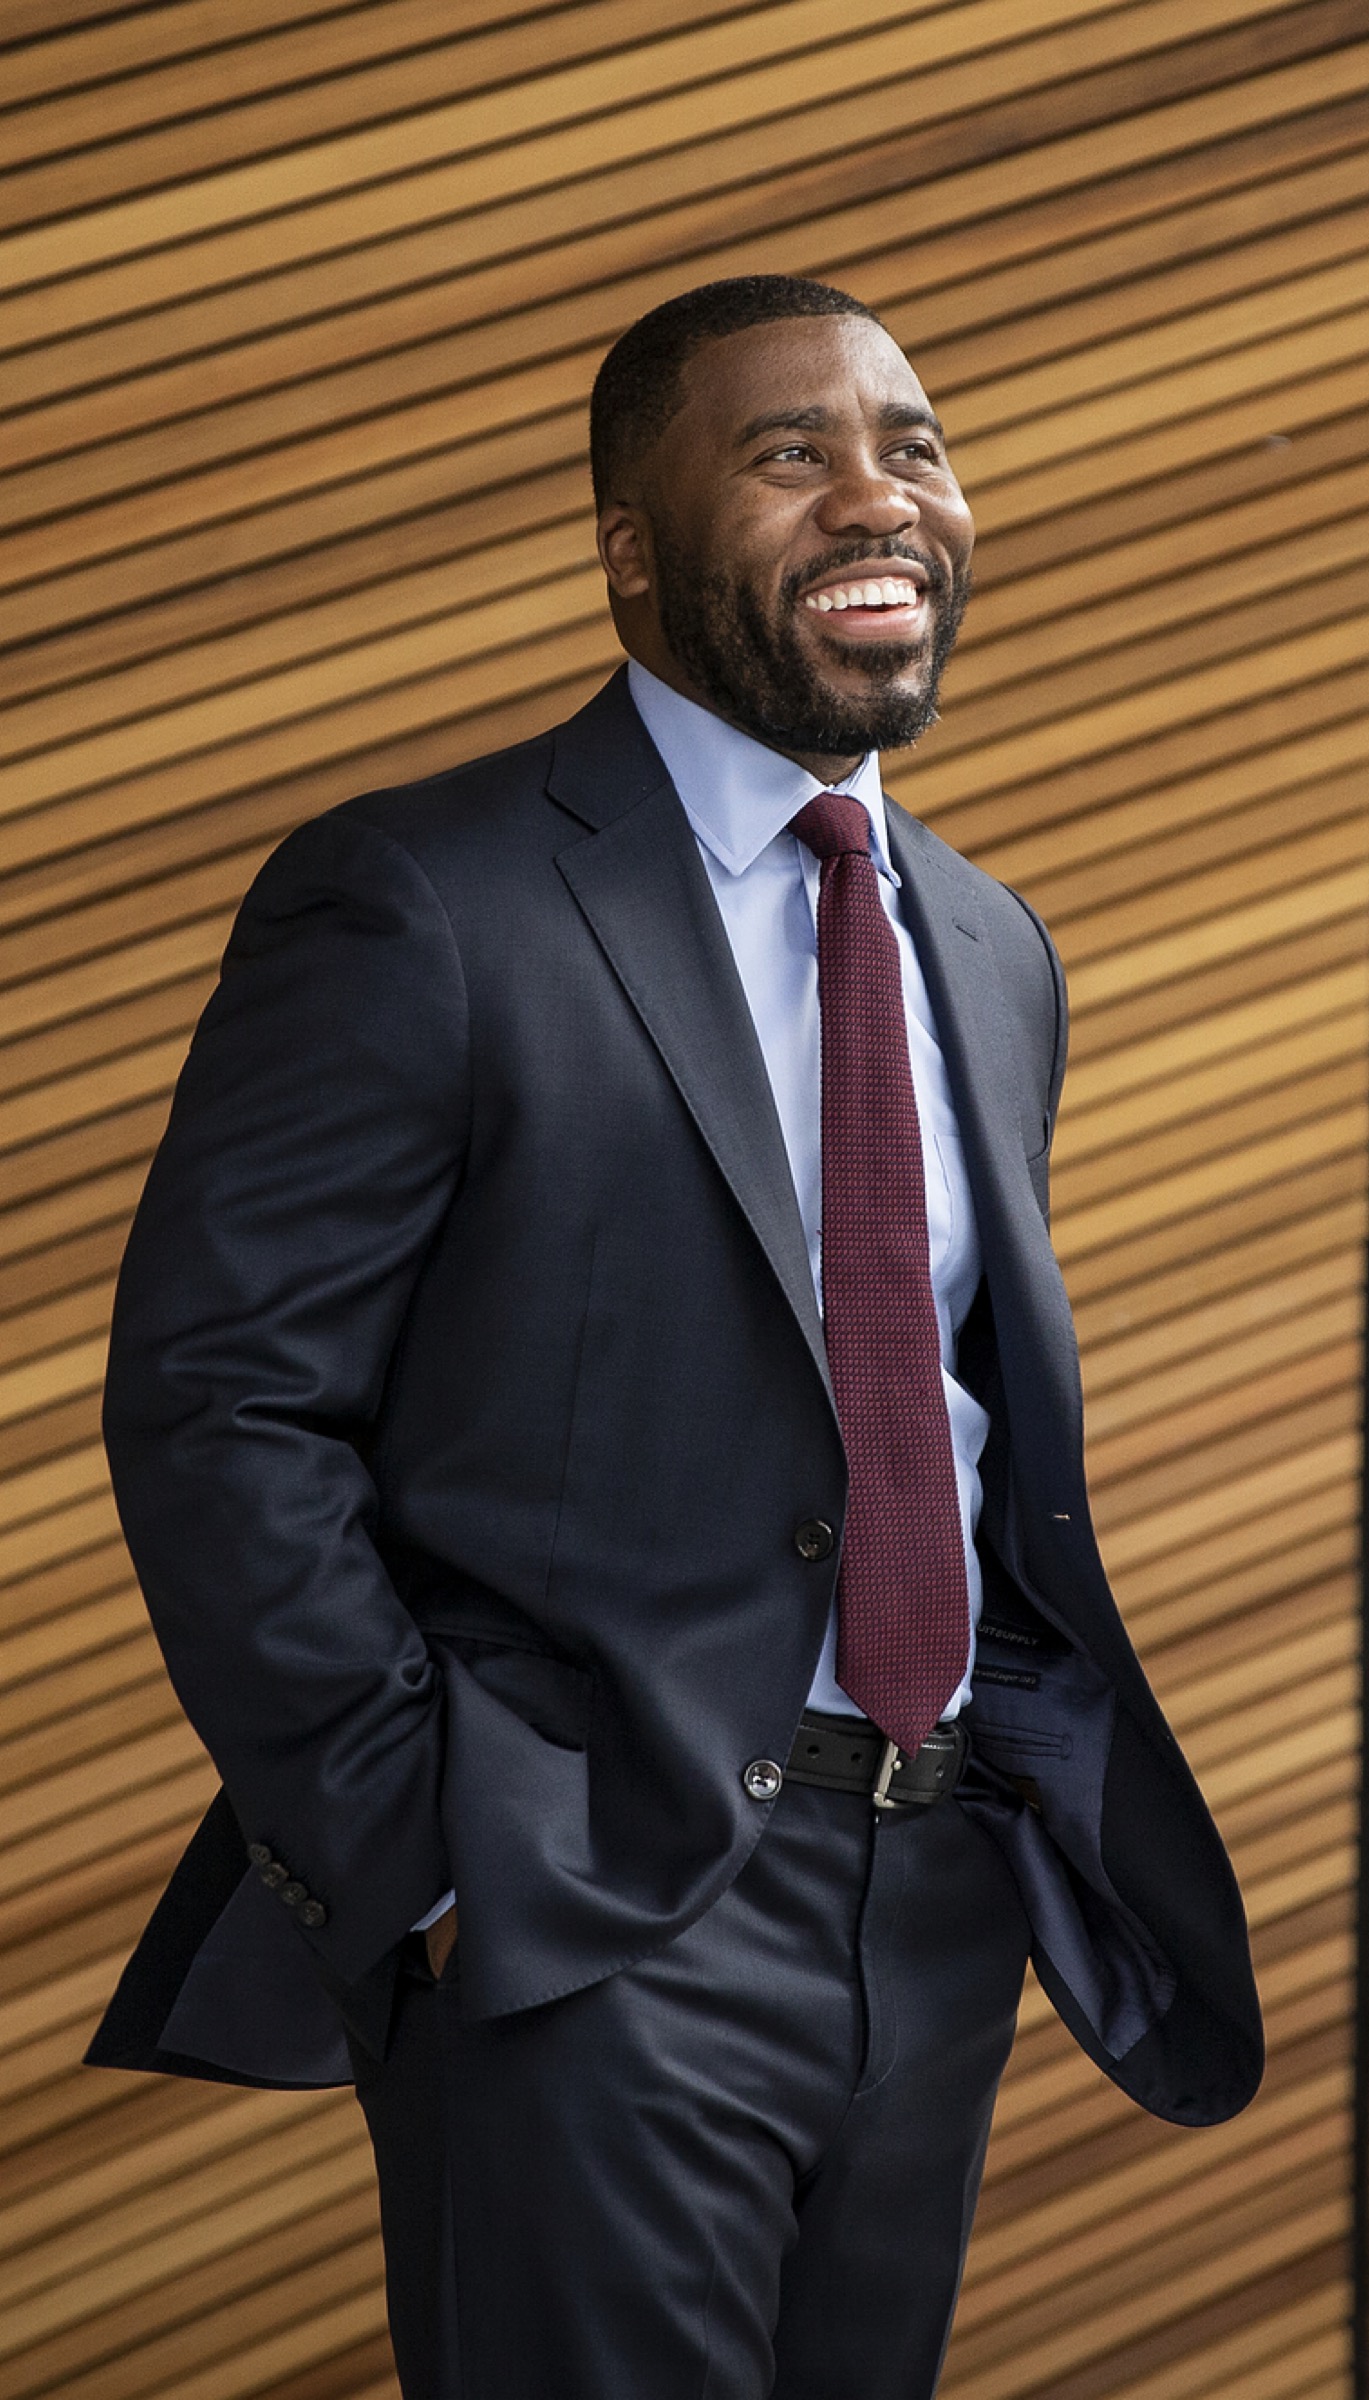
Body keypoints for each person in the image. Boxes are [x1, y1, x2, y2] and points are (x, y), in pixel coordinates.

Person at [88, 275, 1261, 2400]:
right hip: (582, 1897)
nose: (876, 493)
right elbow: (218, 1401)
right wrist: (424, 1851)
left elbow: (939, 1413)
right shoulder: (421, 896)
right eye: (789, 450)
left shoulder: (990, 946)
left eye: (909, 440)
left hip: (929, 1882)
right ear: (631, 540)